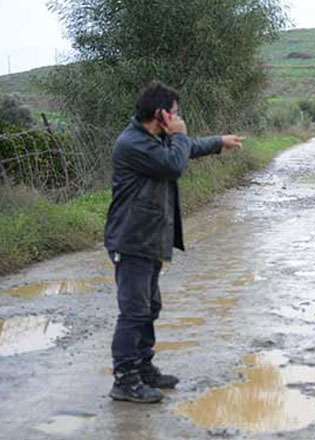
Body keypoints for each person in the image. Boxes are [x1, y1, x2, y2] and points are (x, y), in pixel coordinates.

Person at [104, 81, 245, 403]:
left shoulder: (152, 137)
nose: (180, 119)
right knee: (134, 311)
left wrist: (218, 142)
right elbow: (173, 164)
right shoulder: (131, 143)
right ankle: (125, 380)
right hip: (131, 239)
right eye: (176, 114)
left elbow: (186, 150)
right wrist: (180, 134)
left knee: (150, 307)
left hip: (148, 237)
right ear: (161, 115)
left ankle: (143, 368)